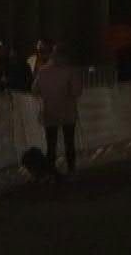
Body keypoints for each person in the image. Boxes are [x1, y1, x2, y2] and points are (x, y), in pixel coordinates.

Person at [31, 43, 86, 175]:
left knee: (51, 144)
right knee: (69, 142)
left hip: (49, 110)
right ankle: (71, 169)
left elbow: (34, 90)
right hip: (67, 110)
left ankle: (51, 171)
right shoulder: (70, 71)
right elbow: (77, 91)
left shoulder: (43, 71)